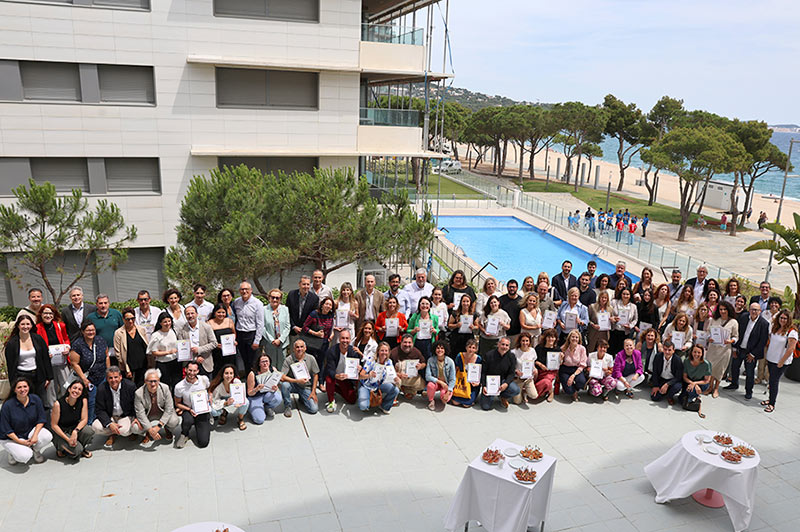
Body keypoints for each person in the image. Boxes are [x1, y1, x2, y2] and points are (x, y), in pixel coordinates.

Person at [0, 377, 52, 465]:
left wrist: (35, 436)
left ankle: (35, 450)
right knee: (25, 456)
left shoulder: (35, 399)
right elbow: (6, 429)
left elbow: (41, 419)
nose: (22, 389)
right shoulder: (7, 405)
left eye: (25, 386)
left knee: (47, 436)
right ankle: (12, 453)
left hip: (28, 432)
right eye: (19, 387)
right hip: (11, 437)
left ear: (29, 387)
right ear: (14, 390)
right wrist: (19, 441)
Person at [5, 314, 53, 405]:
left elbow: (45, 358)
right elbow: (10, 365)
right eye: (22, 324)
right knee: (24, 403)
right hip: (21, 376)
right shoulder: (12, 343)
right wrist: (13, 382)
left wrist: (48, 377)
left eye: (28, 324)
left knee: (40, 402)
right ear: (18, 325)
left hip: (38, 375)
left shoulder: (38, 339)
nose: (25, 327)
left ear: (31, 325)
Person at [68, 321, 109, 424]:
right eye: (88, 330)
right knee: (91, 401)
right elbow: (74, 363)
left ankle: (102, 419)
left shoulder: (100, 340)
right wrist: (84, 379)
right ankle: (89, 422)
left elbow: (106, 356)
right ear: (82, 331)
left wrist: (108, 372)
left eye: (93, 330)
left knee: (103, 399)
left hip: (102, 376)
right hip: (88, 378)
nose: (91, 332)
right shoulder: (78, 344)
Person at [91, 366, 142, 449]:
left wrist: (136, 417)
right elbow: (99, 409)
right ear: (107, 379)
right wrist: (109, 423)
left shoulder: (130, 386)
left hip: (124, 415)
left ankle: (125, 432)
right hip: (110, 416)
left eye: (116, 377)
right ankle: (112, 434)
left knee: (124, 431)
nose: (113, 380)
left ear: (120, 377)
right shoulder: (101, 389)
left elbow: (137, 403)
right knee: (96, 426)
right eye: (110, 378)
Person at [726, 303, 769, 400]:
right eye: (752, 309)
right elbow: (736, 333)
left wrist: (753, 354)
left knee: (749, 373)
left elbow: (762, 341)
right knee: (734, 367)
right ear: (749, 310)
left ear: (760, 311)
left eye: (756, 310)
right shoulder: (743, 318)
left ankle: (749, 391)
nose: (754, 311)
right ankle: (734, 384)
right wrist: (734, 349)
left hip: (751, 353)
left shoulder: (764, 324)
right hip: (739, 349)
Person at [761, 309, 797, 414]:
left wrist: (781, 361)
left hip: (781, 362)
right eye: (781, 317)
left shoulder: (792, 332)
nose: (783, 320)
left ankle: (772, 403)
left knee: (774, 381)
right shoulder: (775, 328)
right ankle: (770, 399)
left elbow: (791, 349)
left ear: (789, 319)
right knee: (771, 380)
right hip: (771, 359)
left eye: (785, 318)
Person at [133, 368, 180, 448]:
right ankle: (148, 432)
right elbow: (140, 414)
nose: (153, 384)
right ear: (145, 381)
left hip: (162, 412)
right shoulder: (138, 393)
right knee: (135, 428)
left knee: (174, 421)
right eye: (150, 381)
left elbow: (169, 409)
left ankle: (167, 428)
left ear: (159, 381)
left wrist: (159, 426)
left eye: (155, 381)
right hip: (148, 415)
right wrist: (150, 430)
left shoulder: (165, 388)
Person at [50, 380, 94, 459]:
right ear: (69, 389)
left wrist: (75, 431)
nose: (76, 391)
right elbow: (54, 425)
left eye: (79, 389)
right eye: (74, 388)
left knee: (89, 431)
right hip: (61, 432)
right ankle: (60, 448)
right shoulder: (58, 404)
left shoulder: (83, 401)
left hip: (73, 428)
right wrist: (68, 439)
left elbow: (84, 419)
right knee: (76, 452)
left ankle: (80, 448)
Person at [173, 361, 211, 449]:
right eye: (190, 370)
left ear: (198, 371)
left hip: (202, 410)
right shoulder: (179, 386)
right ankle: (185, 434)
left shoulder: (204, 379)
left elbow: (209, 389)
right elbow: (177, 403)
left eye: (194, 371)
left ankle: (202, 422)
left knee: (203, 443)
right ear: (186, 370)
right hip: (189, 409)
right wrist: (189, 409)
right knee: (187, 421)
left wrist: (210, 396)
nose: (192, 373)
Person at [322, 329, 361, 413]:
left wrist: (359, 368)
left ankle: (334, 389)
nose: (345, 341)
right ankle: (331, 401)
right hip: (335, 376)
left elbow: (357, 369)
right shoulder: (332, 351)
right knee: (329, 380)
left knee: (352, 400)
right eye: (343, 338)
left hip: (346, 378)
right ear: (339, 339)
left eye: (347, 338)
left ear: (350, 339)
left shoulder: (353, 352)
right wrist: (336, 376)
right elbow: (329, 369)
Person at [705, 301, 739, 398]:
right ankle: (710, 387)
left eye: (724, 309)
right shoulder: (713, 320)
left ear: (728, 310)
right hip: (713, 349)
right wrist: (709, 338)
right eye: (720, 309)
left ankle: (716, 388)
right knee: (711, 368)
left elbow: (736, 336)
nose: (722, 311)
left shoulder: (733, 322)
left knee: (720, 369)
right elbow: (708, 332)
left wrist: (730, 341)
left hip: (724, 350)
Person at [280, 339, 320, 416]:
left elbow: (316, 375)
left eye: (301, 347)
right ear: (293, 349)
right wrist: (297, 381)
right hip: (293, 384)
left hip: (306, 386)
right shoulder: (289, 359)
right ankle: (288, 406)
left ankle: (302, 398)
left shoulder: (311, 358)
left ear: (305, 348)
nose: (299, 349)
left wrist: (313, 392)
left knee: (313, 409)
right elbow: (282, 377)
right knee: (284, 385)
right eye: (297, 347)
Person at [357, 341, 400, 414]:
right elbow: (360, 376)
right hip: (366, 385)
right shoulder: (371, 360)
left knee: (395, 390)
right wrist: (369, 375)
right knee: (363, 406)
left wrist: (395, 379)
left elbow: (392, 375)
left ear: (389, 352)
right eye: (382, 350)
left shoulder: (389, 362)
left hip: (379, 384)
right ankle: (366, 398)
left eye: (386, 351)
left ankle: (385, 406)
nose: (384, 353)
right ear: (378, 351)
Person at [231, 281, 264, 375]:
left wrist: (257, 340)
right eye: (242, 289)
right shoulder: (236, 302)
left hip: (252, 334)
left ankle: (255, 380)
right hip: (240, 334)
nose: (244, 291)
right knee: (244, 360)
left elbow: (260, 323)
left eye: (246, 289)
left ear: (251, 290)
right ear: (239, 291)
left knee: (254, 361)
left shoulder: (257, 303)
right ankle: (247, 379)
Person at [176, 305, 218, 376]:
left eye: (192, 313)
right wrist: (195, 358)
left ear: (197, 314)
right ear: (185, 316)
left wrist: (199, 349)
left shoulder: (206, 327)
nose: (190, 316)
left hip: (205, 362)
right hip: (189, 365)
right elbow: (181, 348)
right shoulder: (182, 330)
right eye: (188, 314)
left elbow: (214, 343)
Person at [479, 337, 519, 410]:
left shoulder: (512, 357)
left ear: (509, 347)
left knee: (515, 390)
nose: (504, 347)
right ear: (498, 344)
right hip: (490, 382)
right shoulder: (489, 355)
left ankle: (502, 396)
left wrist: (506, 383)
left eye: (507, 345)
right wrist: (484, 385)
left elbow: (511, 373)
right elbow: (483, 372)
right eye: (503, 344)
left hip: (503, 381)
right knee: (485, 407)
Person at [115, 308, 150, 387]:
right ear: (123, 319)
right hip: (128, 367)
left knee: (141, 387)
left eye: (132, 318)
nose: (130, 321)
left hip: (142, 365)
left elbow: (146, 346)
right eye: (128, 319)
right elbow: (118, 353)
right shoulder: (119, 333)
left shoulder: (141, 329)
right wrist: (126, 369)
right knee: (129, 388)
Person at [87, 294, 124, 366]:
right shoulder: (91, 317)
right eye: (100, 303)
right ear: (96, 304)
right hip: (100, 352)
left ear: (109, 303)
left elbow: (123, 330)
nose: (103, 305)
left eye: (105, 303)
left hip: (117, 350)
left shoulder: (116, 314)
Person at [146, 312, 180, 391]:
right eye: (165, 322)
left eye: (169, 321)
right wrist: (168, 352)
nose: (167, 323)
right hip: (163, 364)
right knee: (165, 385)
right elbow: (154, 352)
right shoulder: (156, 335)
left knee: (176, 384)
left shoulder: (173, 331)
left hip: (175, 362)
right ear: (160, 323)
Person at [209, 364, 248, 430]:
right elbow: (215, 400)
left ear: (234, 374)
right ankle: (223, 413)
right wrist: (225, 403)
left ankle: (240, 419)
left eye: (231, 373)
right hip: (223, 401)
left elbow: (241, 395)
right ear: (222, 374)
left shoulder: (236, 381)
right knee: (214, 412)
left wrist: (238, 402)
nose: (229, 376)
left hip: (234, 400)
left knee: (246, 402)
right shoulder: (218, 385)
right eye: (226, 373)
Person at [246, 353, 283, 424]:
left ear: (269, 362)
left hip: (267, 393)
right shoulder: (252, 374)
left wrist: (275, 388)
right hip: (255, 396)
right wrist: (256, 389)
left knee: (278, 398)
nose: (265, 363)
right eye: (263, 362)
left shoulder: (273, 370)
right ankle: (251, 408)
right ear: (259, 364)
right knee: (259, 420)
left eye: (266, 361)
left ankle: (267, 407)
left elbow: (276, 382)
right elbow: (249, 393)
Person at [301, 297, 335, 371]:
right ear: (322, 305)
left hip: (324, 343)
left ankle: (320, 378)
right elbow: (305, 327)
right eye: (326, 304)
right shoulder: (314, 314)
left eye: (330, 305)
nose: (328, 306)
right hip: (313, 343)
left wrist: (332, 333)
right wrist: (315, 333)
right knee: (311, 363)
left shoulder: (331, 315)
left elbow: (332, 327)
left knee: (321, 363)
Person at [390, 334, 427, 400]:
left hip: (410, 377)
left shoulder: (416, 351)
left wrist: (421, 366)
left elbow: (424, 363)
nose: (407, 345)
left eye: (409, 342)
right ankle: (393, 397)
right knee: (396, 381)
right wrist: (398, 374)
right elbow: (388, 368)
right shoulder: (394, 352)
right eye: (405, 342)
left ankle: (407, 389)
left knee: (422, 385)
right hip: (398, 377)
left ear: (412, 343)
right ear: (401, 342)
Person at [262, 288, 290, 372]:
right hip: (270, 343)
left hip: (282, 343)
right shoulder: (263, 310)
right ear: (269, 298)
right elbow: (262, 327)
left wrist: (280, 340)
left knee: (282, 366)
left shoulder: (285, 309)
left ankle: (281, 380)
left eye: (277, 298)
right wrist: (272, 340)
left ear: (280, 299)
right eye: (272, 297)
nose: (274, 300)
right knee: (271, 365)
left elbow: (287, 326)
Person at [287, 275, 320, 342]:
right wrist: (294, 326)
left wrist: (305, 328)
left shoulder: (314, 298)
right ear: (299, 284)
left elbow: (313, 316)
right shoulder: (291, 294)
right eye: (304, 284)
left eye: (308, 284)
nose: (306, 286)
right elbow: (287, 312)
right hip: (293, 331)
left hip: (306, 333)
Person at [208, 303, 236, 379]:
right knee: (218, 371)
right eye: (219, 312)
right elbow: (207, 338)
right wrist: (216, 345)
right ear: (214, 313)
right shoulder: (209, 323)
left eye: (223, 312)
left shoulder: (229, 321)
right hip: (217, 352)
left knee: (230, 369)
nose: (221, 314)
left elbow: (234, 333)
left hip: (229, 352)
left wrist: (234, 341)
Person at [450, 339, 482, 408]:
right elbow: (455, 369)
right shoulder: (459, 356)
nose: (471, 349)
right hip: (461, 382)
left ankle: (472, 398)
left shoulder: (478, 359)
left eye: (473, 348)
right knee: (455, 402)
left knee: (466, 404)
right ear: (466, 347)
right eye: (469, 347)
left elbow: (480, 373)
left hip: (472, 384)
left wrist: (478, 382)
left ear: (476, 349)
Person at [425, 340, 455, 410]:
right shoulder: (430, 360)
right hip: (436, 383)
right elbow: (428, 376)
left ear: (445, 350)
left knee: (445, 400)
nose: (440, 350)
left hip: (446, 384)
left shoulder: (450, 361)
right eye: (438, 348)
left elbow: (452, 379)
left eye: (442, 348)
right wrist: (440, 382)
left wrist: (448, 392)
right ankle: (431, 400)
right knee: (430, 385)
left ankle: (443, 397)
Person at [682, 345, 711, 415]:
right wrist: (693, 384)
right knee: (681, 399)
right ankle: (694, 397)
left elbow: (707, 380)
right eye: (694, 352)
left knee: (691, 392)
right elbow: (684, 377)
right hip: (689, 381)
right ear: (691, 352)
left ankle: (693, 399)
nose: (696, 354)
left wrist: (695, 384)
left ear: (702, 353)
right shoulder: (686, 361)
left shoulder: (706, 364)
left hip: (702, 383)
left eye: (699, 352)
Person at [558, 330, 587, 401]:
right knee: (569, 391)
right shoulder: (563, 348)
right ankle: (571, 391)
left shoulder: (582, 349)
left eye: (576, 337)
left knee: (581, 382)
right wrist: (560, 358)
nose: (574, 339)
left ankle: (575, 390)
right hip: (565, 369)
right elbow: (559, 364)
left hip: (577, 369)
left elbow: (582, 365)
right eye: (573, 337)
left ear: (579, 339)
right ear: (569, 338)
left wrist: (573, 375)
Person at [533, 328, 559, 402]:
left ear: (555, 339)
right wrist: (540, 364)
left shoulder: (557, 349)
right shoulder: (539, 348)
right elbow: (534, 360)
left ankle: (551, 392)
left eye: (553, 337)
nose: (551, 339)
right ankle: (545, 390)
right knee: (538, 394)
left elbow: (559, 364)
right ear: (545, 338)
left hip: (551, 372)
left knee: (546, 381)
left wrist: (561, 359)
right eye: (549, 337)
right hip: (539, 372)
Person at [512, 333, 538, 403]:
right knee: (517, 402)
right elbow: (510, 367)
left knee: (534, 395)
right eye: (523, 341)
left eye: (527, 341)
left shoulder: (532, 351)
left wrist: (535, 369)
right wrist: (516, 371)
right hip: (518, 378)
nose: (525, 343)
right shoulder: (514, 352)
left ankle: (524, 391)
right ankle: (520, 391)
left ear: (529, 341)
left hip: (528, 378)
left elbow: (533, 363)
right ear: (520, 341)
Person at [610, 287, 638, 354]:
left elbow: (635, 319)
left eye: (627, 294)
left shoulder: (633, 306)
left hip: (625, 332)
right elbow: (608, 313)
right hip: (614, 331)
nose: (625, 296)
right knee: (611, 350)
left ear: (630, 295)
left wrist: (630, 325)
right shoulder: (614, 302)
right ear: (621, 294)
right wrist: (613, 318)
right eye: (624, 294)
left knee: (622, 353)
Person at [498, 280, 523, 344]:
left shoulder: (521, 301)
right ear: (507, 288)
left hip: (516, 333)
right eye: (510, 287)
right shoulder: (501, 300)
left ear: (517, 288)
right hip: (503, 333)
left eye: (513, 287)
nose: (512, 289)